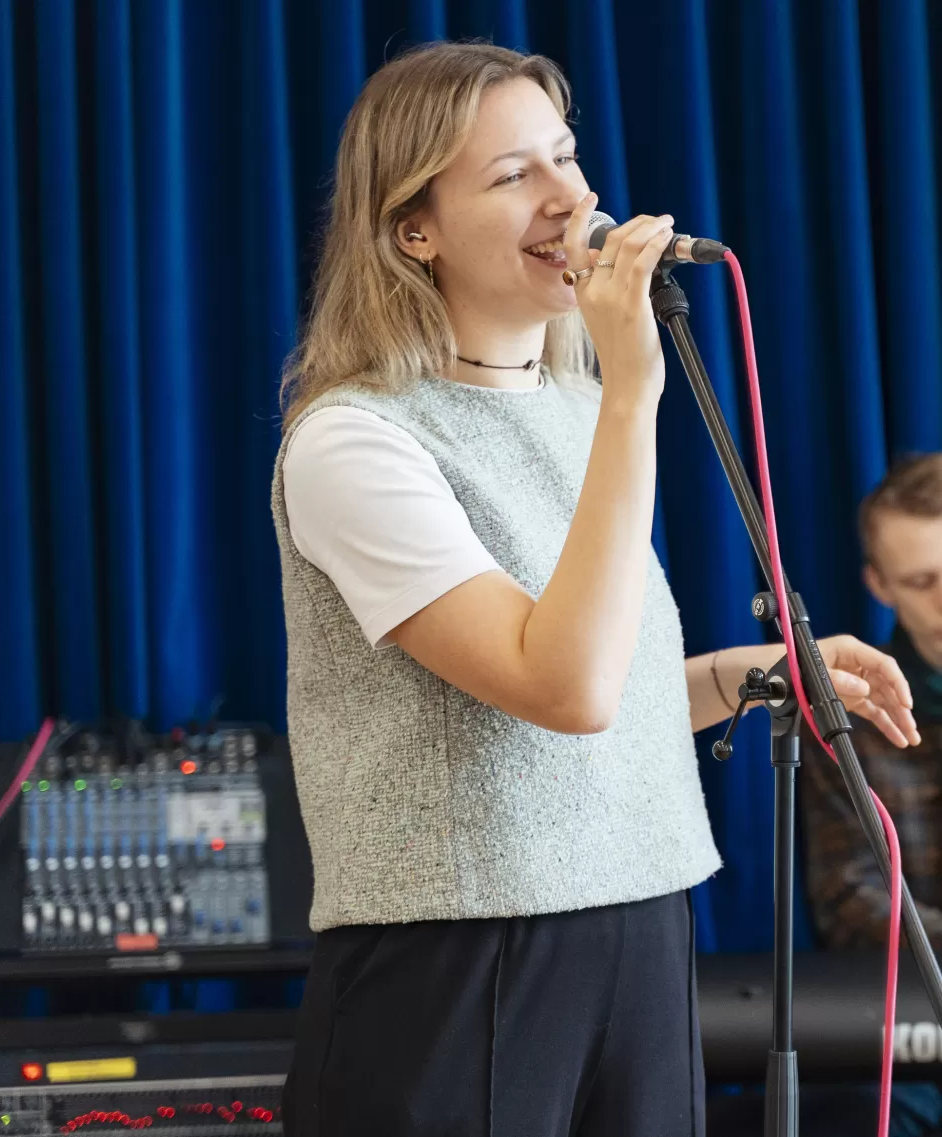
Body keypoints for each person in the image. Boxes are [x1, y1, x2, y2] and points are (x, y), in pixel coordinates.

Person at [270, 41, 918, 1137]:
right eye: (513, 173)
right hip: (460, 953)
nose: (572, 199)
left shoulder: (572, 406)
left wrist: (756, 674)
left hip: (642, 922)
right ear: (410, 229)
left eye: (566, 158)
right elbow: (562, 689)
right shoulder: (354, 442)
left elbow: (594, 677)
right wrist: (633, 397)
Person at [802, 454, 942, 1137]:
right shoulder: (844, 723)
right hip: (919, 1034)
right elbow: (852, 903)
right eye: (923, 581)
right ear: (879, 585)